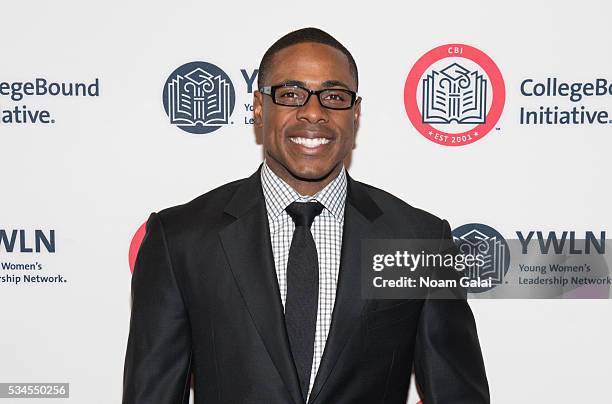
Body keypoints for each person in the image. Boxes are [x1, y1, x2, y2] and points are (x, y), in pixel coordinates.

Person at [122, 27, 489, 404]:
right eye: (292, 94)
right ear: (260, 108)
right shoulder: (181, 238)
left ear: (355, 113)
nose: (313, 112)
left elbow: (457, 394)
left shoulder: (417, 240)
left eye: (333, 96)